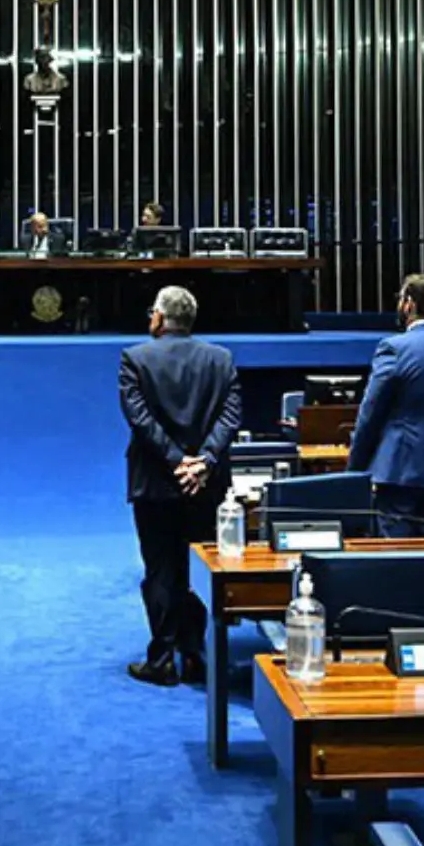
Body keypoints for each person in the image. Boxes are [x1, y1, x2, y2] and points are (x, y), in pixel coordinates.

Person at [119, 286, 241, 687]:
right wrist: (203, 460)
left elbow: (140, 419)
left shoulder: (135, 359)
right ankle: (195, 654)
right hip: (206, 484)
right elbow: (230, 417)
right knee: (198, 568)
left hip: (155, 482)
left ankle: (162, 658)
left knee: (161, 569)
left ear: (159, 317)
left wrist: (176, 461)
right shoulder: (221, 359)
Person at [346, 274, 424, 537]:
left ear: (409, 304)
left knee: (398, 552)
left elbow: (371, 411)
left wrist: (354, 468)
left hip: (399, 467)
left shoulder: (394, 347)